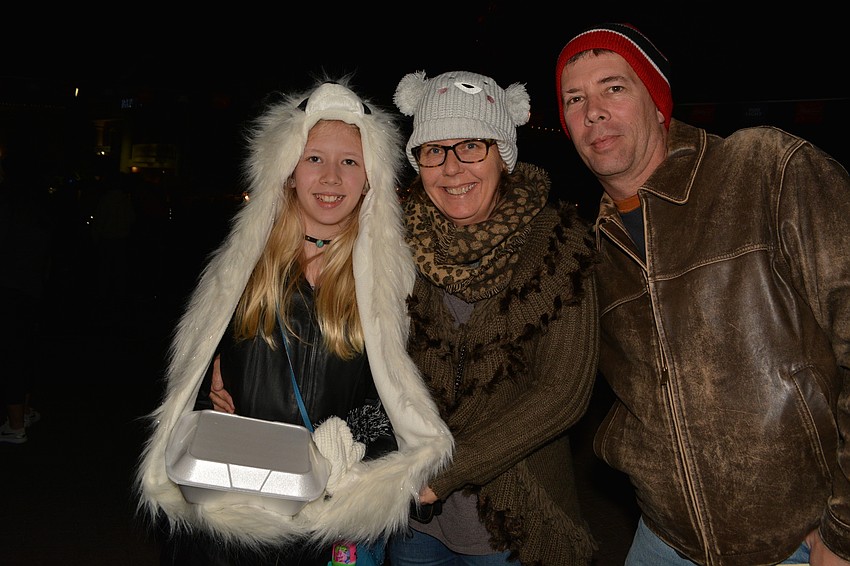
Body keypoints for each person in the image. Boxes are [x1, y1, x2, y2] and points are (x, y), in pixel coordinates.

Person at [210, 71, 601, 565]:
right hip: (407, 521)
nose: (453, 167)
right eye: (435, 149)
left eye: (472, 146)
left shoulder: (557, 246)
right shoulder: (397, 245)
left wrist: (437, 475)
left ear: (503, 153)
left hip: (506, 515)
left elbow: (562, 393)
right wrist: (232, 359)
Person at [555, 22, 850, 566]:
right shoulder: (589, 251)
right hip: (663, 539)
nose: (593, 110)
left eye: (614, 87)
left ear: (658, 102)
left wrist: (843, 528)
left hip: (797, 542)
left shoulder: (765, 169)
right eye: (576, 99)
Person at [135, 78, 453, 566]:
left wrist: (347, 436)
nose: (331, 177)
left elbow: (408, 398)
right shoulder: (240, 269)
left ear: (370, 177)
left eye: (349, 161)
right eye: (314, 159)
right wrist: (210, 397)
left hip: (323, 518)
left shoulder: (395, 284)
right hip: (229, 512)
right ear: (287, 171)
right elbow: (185, 387)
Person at [0, 147, 50, 444]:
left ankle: (15, 424)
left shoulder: (7, 200)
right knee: (26, 351)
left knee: (9, 355)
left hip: (8, 285)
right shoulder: (42, 202)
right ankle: (25, 411)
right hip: (34, 286)